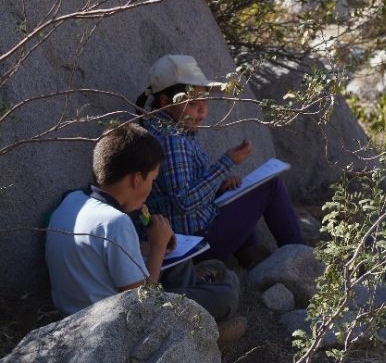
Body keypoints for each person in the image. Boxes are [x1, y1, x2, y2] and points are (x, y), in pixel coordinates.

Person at [45, 124, 243, 339]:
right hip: (114, 326)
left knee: (189, 264)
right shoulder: (116, 222)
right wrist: (157, 246)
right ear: (137, 179)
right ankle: (201, 335)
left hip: (73, 312)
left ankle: (198, 290)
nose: (150, 188)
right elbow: (144, 304)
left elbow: (98, 252)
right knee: (227, 292)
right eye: (152, 180)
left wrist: (150, 245)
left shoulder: (72, 199)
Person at [135, 54, 305, 269]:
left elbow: (181, 195)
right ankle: (302, 260)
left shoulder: (171, 131)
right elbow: (184, 202)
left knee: (234, 191)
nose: (202, 110)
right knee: (270, 187)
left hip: (191, 237)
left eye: (204, 101)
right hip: (192, 245)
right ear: (166, 103)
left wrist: (218, 186)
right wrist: (227, 162)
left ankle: (249, 255)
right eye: (192, 103)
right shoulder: (171, 139)